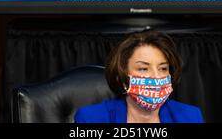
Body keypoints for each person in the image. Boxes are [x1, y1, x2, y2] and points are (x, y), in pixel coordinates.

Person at [74, 30, 204, 123]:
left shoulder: (190, 117)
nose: (156, 76)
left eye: (163, 68)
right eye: (143, 68)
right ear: (122, 78)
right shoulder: (91, 118)